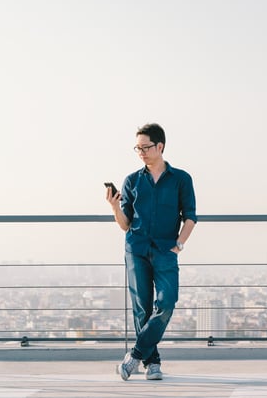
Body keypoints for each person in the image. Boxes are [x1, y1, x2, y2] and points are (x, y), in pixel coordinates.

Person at [106, 123, 197, 381]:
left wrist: (178, 245)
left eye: (146, 147)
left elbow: (190, 217)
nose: (141, 153)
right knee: (141, 308)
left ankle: (135, 355)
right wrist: (115, 208)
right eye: (138, 148)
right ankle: (152, 362)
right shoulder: (132, 181)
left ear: (160, 146)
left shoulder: (181, 179)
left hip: (166, 250)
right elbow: (125, 224)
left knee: (167, 303)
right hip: (136, 249)